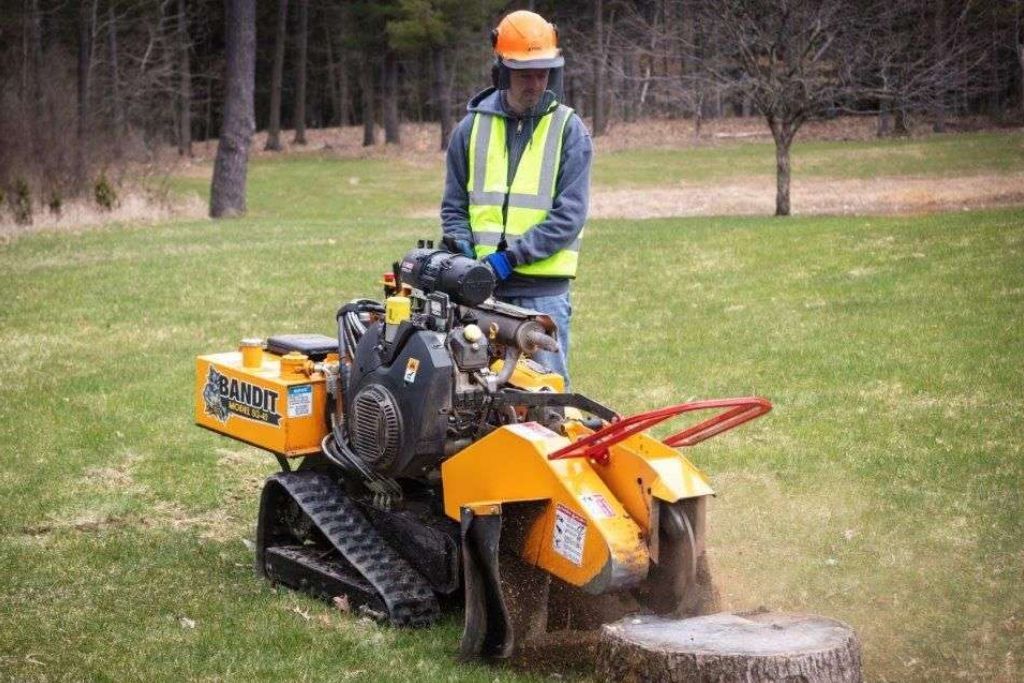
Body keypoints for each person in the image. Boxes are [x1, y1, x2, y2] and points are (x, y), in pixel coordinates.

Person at [441, 10, 592, 389]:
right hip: (483, 292)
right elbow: (454, 207)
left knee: (547, 398)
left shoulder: (569, 131)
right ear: (503, 72)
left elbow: (568, 217)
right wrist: (464, 254)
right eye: (526, 74)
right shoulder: (470, 128)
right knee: (476, 398)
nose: (536, 83)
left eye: (544, 73)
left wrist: (509, 259)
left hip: (543, 297)